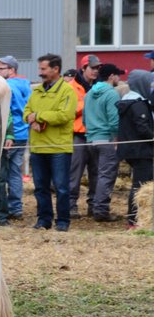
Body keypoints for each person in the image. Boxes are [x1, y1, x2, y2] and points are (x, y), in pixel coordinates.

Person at [23, 53, 78, 231]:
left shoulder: (67, 91)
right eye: (40, 69)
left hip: (58, 148)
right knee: (40, 188)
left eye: (43, 69)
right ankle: (44, 220)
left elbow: (65, 115)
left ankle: (62, 222)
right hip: (38, 147)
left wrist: (38, 117)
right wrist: (32, 120)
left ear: (56, 69)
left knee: (61, 188)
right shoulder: (37, 91)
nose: (40, 72)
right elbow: (26, 112)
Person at [0, 56, 31, 224]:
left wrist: (9, 133)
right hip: (23, 133)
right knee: (16, 173)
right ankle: (17, 207)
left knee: (3, 174)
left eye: (1, 68)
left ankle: (4, 210)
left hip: (10, 133)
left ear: (12, 70)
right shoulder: (26, 85)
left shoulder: (7, 86)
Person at [83, 63, 123, 221]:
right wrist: (115, 138)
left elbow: (85, 119)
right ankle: (101, 211)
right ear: (112, 76)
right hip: (106, 139)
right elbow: (114, 121)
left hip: (91, 139)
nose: (119, 78)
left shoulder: (89, 93)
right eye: (118, 75)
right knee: (107, 176)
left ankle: (93, 206)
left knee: (96, 175)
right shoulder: (112, 94)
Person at [116, 70, 154, 228]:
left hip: (131, 149)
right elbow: (142, 127)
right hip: (140, 150)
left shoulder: (127, 101)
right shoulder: (138, 104)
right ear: (141, 84)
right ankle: (133, 220)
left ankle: (137, 218)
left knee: (140, 183)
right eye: (149, 83)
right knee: (140, 185)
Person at [68, 54, 100, 214]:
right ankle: (71, 206)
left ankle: (93, 205)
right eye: (93, 68)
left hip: (95, 135)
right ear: (83, 68)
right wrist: (86, 101)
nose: (95, 71)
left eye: (97, 68)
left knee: (95, 173)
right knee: (75, 174)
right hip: (78, 135)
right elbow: (69, 112)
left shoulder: (99, 87)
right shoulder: (71, 87)